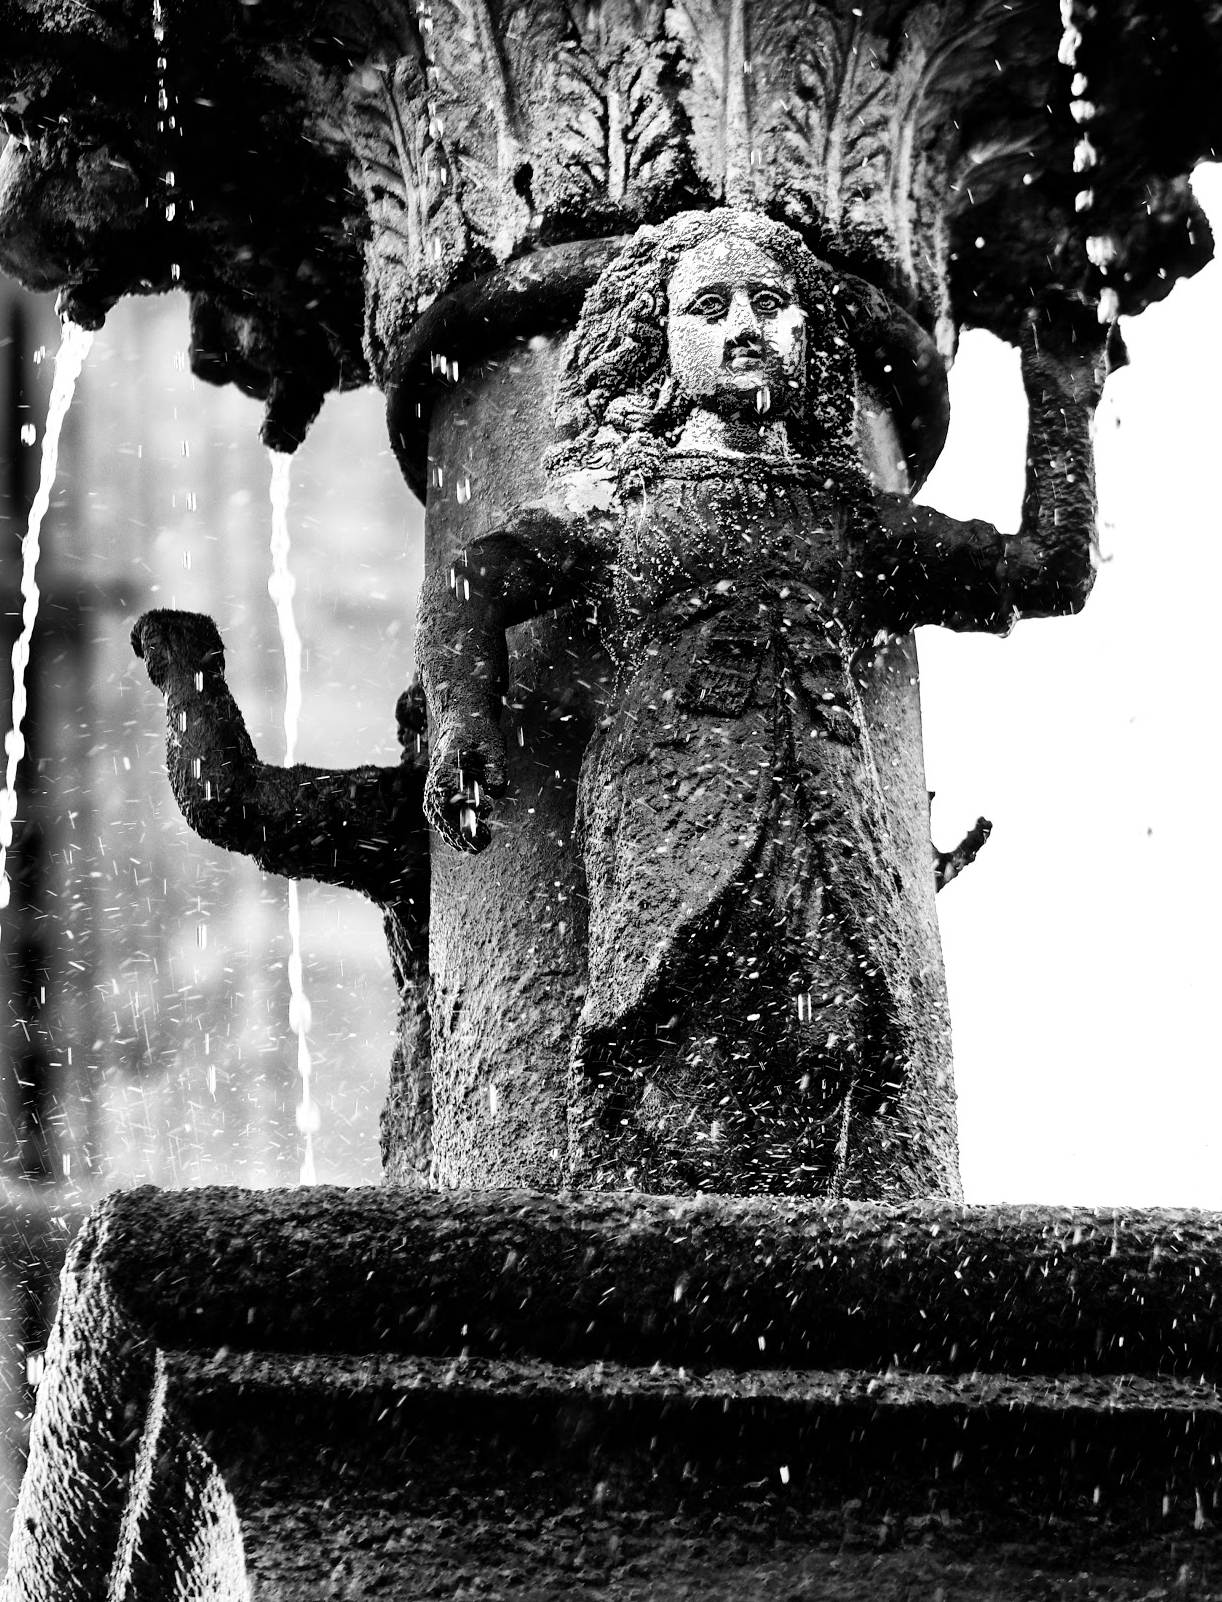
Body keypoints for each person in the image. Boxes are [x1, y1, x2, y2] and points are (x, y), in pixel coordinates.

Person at [417, 208, 1107, 1194]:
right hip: (674, 799)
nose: (745, 326)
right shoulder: (624, 494)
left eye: (770, 303)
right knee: (671, 1014)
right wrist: (462, 715)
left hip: (826, 810)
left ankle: (800, 1239)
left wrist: (1062, 398)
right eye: (709, 306)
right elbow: (474, 579)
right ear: (657, 341)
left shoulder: (852, 517)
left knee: (833, 1029)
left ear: (805, 335)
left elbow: (1048, 574)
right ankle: (646, 1222)